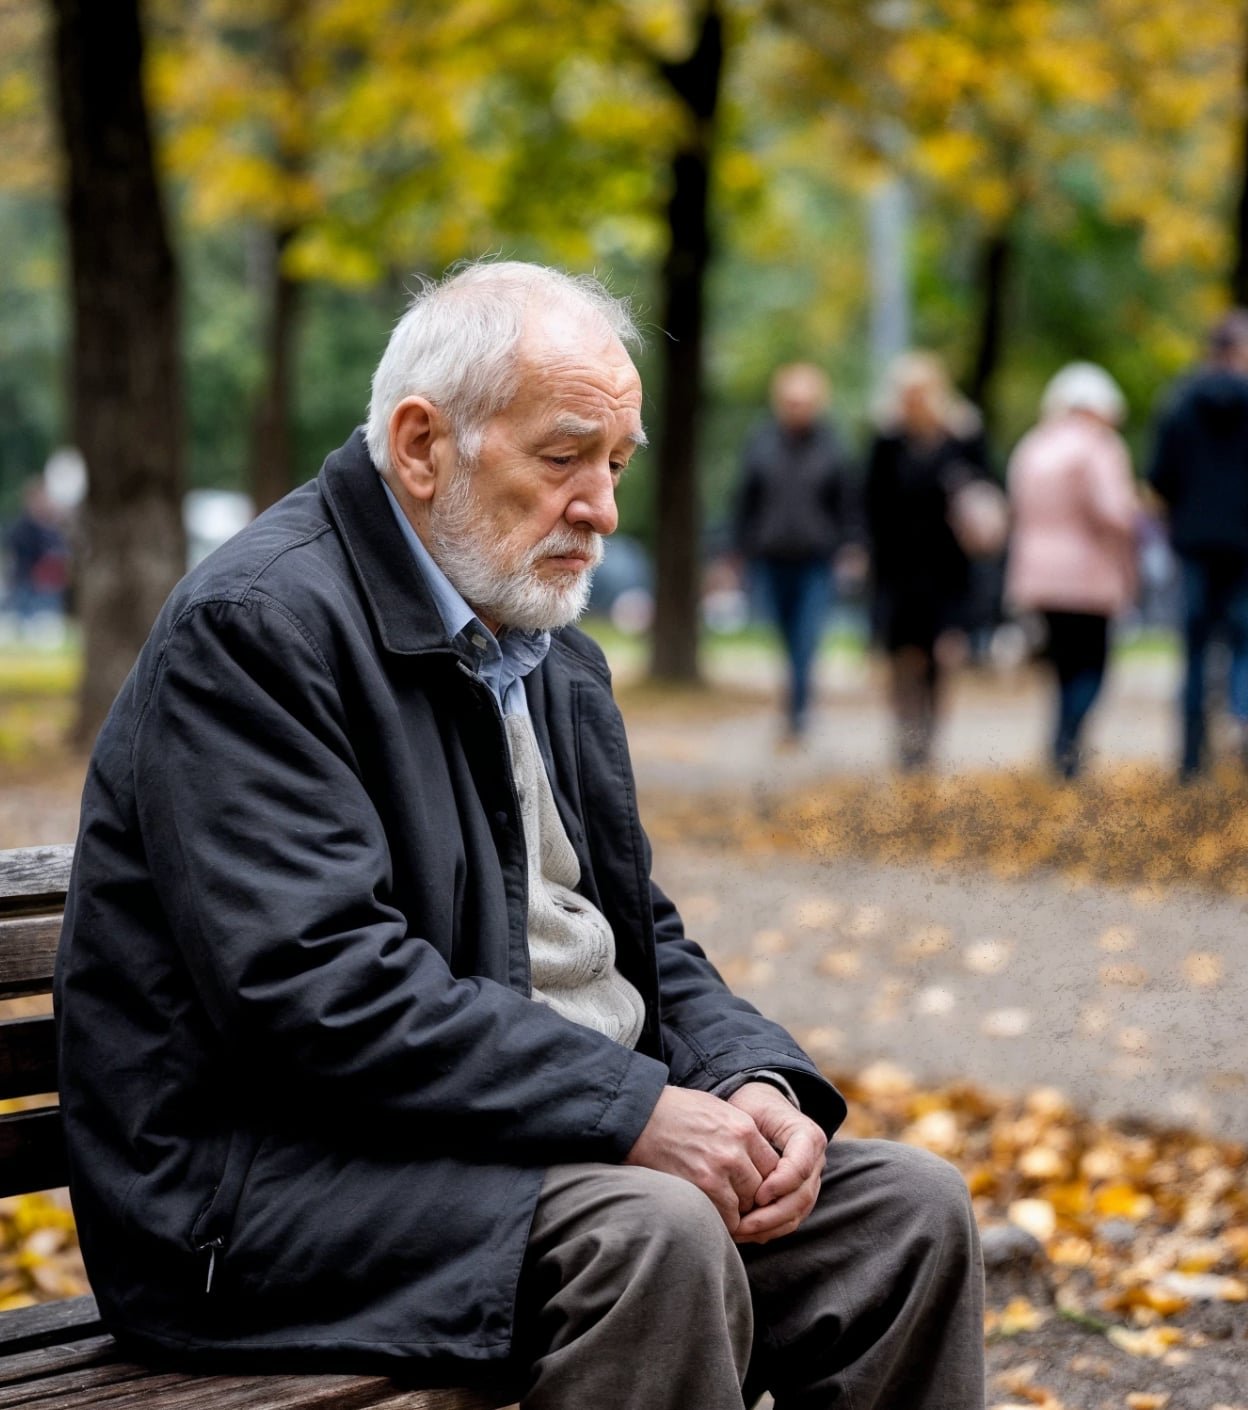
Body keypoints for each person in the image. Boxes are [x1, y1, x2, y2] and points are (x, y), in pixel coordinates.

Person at [55, 261, 984, 1410]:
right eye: (563, 458)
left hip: (504, 1149)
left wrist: (749, 1082)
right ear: (421, 444)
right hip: (254, 1198)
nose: (600, 505)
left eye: (616, 465)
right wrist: (631, 1109)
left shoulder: (545, 648)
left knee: (906, 1216)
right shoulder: (258, 630)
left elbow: (637, 938)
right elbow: (318, 991)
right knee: (652, 1232)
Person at [1005, 363, 1139, 779]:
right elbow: (1114, 512)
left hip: (1038, 573)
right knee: (1092, 665)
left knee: (1062, 664)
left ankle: (1062, 740)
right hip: (1088, 573)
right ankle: (1069, 743)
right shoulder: (1097, 447)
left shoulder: (1033, 445)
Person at [864, 351, 991, 771]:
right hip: (898, 567)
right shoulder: (887, 440)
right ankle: (906, 735)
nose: (913, 400)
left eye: (920, 392)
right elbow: (871, 503)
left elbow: (986, 489)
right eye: (906, 392)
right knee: (902, 654)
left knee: (942, 654)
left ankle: (930, 737)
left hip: (947, 566)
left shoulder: (962, 437)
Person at [733, 363, 856, 744]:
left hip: (816, 559)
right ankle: (797, 703)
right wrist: (736, 549)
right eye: (790, 401)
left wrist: (852, 548)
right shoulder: (761, 442)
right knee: (786, 635)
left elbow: (848, 505)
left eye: (803, 402)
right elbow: (745, 500)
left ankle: (798, 712)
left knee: (807, 635)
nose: (796, 408)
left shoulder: (833, 446)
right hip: (770, 557)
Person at [1148, 310, 1248, 778]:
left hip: (1193, 545)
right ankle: (1242, 729)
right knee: (1245, 643)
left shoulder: (1180, 402)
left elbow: (1159, 477)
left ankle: (1191, 760)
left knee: (1195, 649)